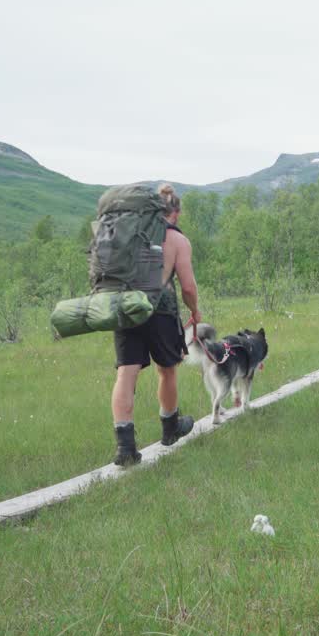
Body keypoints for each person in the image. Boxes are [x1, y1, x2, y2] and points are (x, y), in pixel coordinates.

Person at [110, 184, 203, 466]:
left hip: (125, 306)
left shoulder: (129, 232)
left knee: (126, 373)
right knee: (167, 370)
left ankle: (126, 448)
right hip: (159, 310)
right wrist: (195, 311)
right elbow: (187, 286)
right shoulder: (176, 239)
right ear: (175, 212)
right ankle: (170, 428)